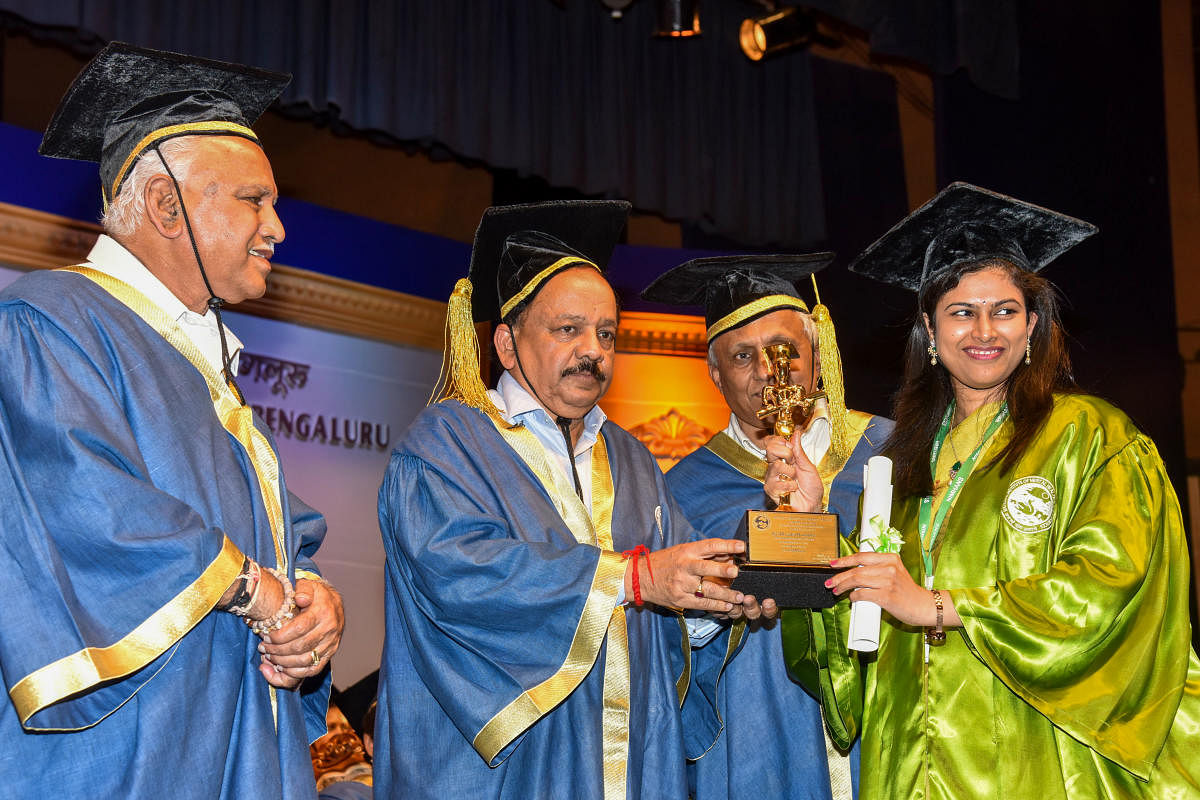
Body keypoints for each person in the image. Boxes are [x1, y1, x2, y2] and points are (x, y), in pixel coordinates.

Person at [0, 43, 344, 798]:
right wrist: (258, 591)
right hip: (127, 750)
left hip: (227, 730)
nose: (278, 227)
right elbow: (85, 504)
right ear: (166, 205)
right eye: (254, 200)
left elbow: (279, 527)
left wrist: (313, 596)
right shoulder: (48, 321)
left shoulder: (198, 357)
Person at [781, 182, 1200, 798]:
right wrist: (815, 526)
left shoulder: (1089, 435)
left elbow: (1113, 590)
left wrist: (940, 606)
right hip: (911, 754)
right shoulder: (902, 462)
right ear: (929, 328)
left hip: (1036, 752)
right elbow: (867, 617)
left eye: (1004, 310)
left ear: (1032, 324)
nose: (985, 330)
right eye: (960, 311)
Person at [375, 200, 764, 800]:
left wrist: (723, 602)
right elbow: (462, 577)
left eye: (606, 333)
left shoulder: (632, 460)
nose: (594, 350)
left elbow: (670, 598)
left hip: (628, 766)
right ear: (507, 345)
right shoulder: (448, 442)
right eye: (568, 330)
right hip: (508, 771)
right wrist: (631, 580)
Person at [643, 255, 892, 800]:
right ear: (714, 375)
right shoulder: (682, 490)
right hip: (757, 746)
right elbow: (660, 652)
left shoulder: (893, 452)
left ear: (817, 356)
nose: (767, 372)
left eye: (784, 351)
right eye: (741, 355)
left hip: (889, 737)